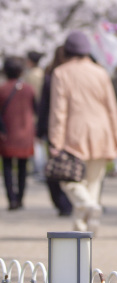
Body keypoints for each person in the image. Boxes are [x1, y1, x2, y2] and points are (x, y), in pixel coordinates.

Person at [48, 30, 117, 232]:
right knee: (93, 180)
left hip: (74, 131)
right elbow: (111, 107)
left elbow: (59, 110)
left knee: (69, 180)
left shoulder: (61, 73)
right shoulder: (100, 72)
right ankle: (84, 223)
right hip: (102, 130)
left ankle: (87, 207)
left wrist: (55, 141)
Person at [36, 45, 73, 216]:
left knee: (55, 167)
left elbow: (43, 106)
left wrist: (40, 130)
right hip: (71, 128)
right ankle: (69, 201)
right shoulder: (59, 77)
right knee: (70, 166)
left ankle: (62, 202)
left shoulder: (51, 76)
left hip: (53, 129)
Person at [0, 56, 36, 210]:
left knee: (7, 167)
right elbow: (36, 108)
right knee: (22, 167)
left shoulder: (2, 89)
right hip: (25, 132)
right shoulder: (28, 89)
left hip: (7, 133)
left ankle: (12, 199)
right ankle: (20, 198)